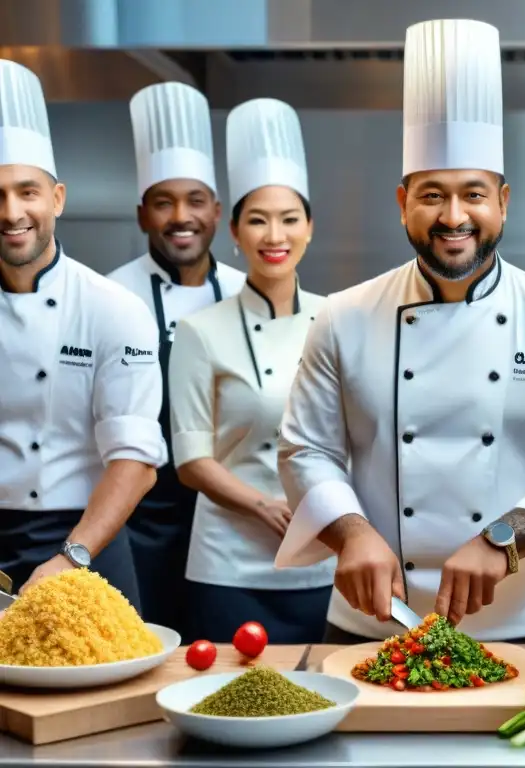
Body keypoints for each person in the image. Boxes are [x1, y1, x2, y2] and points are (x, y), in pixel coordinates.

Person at [273, 18, 525, 644]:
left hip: (518, 620)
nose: (454, 216)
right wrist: (351, 533)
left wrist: (503, 539)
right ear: (402, 200)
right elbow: (306, 450)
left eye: (474, 194)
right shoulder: (343, 316)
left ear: (504, 201)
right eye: (433, 195)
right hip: (374, 615)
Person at [167, 98, 335, 643]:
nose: (274, 236)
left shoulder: (342, 319)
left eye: (289, 219)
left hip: (325, 557)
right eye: (257, 220)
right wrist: (264, 505)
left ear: (309, 228)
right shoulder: (199, 331)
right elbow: (191, 460)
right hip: (228, 565)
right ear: (234, 232)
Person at [0, 60, 166, 604]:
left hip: (86, 543)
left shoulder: (114, 308)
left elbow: (136, 463)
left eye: (28, 191)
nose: (12, 212)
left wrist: (71, 556)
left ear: (58, 199)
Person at [107, 82, 246, 635]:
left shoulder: (247, 292)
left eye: (195, 201)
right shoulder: (112, 299)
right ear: (143, 214)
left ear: (216, 211)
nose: (180, 217)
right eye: (164, 202)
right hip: (141, 518)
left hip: (230, 514)